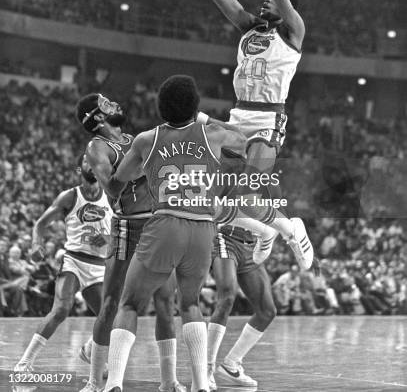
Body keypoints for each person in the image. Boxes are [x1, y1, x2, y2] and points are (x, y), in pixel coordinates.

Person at [103, 75, 247, 392]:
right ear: (195, 106)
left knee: (129, 304)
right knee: (191, 303)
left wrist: (137, 173)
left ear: (160, 106)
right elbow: (242, 139)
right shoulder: (214, 134)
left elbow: (116, 184)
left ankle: (113, 383)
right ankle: (201, 384)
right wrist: (206, 119)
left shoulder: (146, 140)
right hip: (203, 228)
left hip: (166, 223)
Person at [207, 0, 314, 268]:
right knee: (211, 200)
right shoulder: (250, 27)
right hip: (238, 115)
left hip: (268, 117)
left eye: (273, 0)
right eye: (265, 0)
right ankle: (275, 227)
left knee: (250, 191)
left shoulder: (294, 31)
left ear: (287, 9)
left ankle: (285, 227)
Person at [76, 93, 183, 392]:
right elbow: (110, 188)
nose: (115, 105)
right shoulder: (96, 147)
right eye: (107, 105)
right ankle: (95, 383)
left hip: (157, 224)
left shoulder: (133, 139)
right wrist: (139, 167)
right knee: (111, 304)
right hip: (128, 227)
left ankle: (169, 381)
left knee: (165, 302)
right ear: (97, 117)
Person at [14, 155, 112, 372]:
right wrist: (35, 245)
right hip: (74, 261)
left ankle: (89, 350)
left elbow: (123, 230)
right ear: (79, 170)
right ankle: (24, 363)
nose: (92, 165)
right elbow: (40, 224)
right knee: (61, 310)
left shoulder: (112, 196)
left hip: (99, 266)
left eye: (95, 161)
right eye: (87, 161)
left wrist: (108, 237)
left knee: (110, 319)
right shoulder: (70, 196)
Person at [207, 223, 277, 389]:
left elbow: (276, 216)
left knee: (267, 311)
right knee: (227, 298)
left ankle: (231, 364)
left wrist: (301, 245)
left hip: (253, 244)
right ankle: (206, 368)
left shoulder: (271, 196)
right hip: (225, 238)